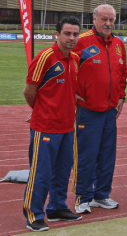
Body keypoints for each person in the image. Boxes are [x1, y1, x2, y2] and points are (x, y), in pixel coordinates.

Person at [22, 17, 82, 232]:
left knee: (63, 171)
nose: (72, 38)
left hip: (67, 127)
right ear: (57, 34)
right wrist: (39, 111)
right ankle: (33, 214)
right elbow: (29, 91)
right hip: (45, 127)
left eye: (75, 34)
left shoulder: (75, 59)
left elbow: (69, 91)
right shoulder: (45, 58)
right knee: (41, 172)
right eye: (67, 33)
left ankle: (56, 208)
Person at [72, 4, 127, 214]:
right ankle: (83, 197)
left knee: (107, 156)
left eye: (111, 19)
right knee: (87, 156)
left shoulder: (118, 44)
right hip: (87, 110)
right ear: (94, 19)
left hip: (110, 112)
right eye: (104, 19)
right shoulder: (82, 42)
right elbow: (68, 66)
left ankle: (101, 195)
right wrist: (72, 91)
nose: (108, 23)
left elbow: (123, 72)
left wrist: (121, 95)